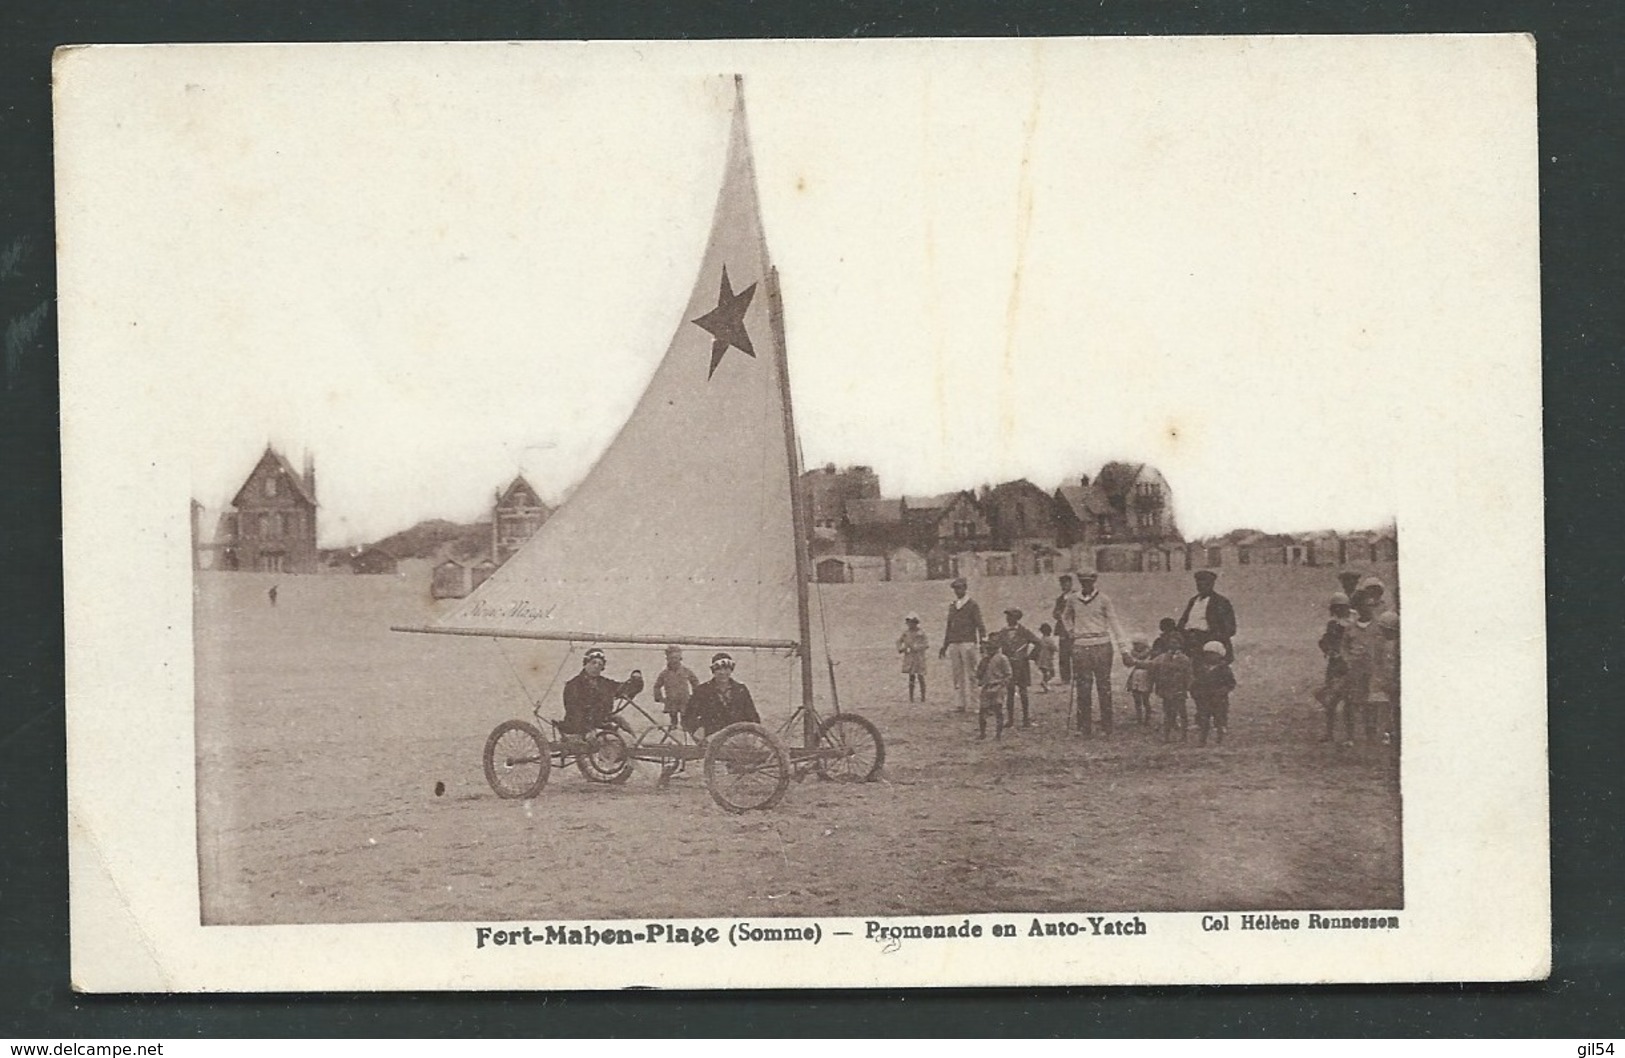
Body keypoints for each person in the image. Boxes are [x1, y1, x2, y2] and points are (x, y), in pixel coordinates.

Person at [1061, 571, 1130, 738]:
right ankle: (1084, 727)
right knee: (1083, 688)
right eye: (1083, 582)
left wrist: (1124, 649)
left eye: (1089, 582)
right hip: (1081, 646)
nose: (1086, 585)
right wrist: (1071, 632)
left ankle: (1107, 726)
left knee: (1104, 687)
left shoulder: (1104, 599)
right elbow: (1065, 617)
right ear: (1080, 582)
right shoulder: (1073, 599)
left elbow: (1114, 622)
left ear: (1094, 581)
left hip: (1102, 646)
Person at [560, 648, 640, 736]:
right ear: (585, 664)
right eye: (593, 662)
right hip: (580, 729)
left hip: (601, 725)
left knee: (623, 725)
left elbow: (626, 689)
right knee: (614, 741)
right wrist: (589, 730)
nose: (596, 666)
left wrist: (636, 680)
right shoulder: (573, 685)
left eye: (600, 664)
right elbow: (574, 712)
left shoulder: (605, 684)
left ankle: (636, 745)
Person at [683, 652, 761, 739]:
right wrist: (697, 730)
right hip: (712, 739)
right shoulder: (702, 691)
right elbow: (688, 717)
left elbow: (753, 717)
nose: (722, 673)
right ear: (713, 671)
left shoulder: (741, 690)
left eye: (726, 669)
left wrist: (752, 734)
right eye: (718, 669)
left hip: (738, 738)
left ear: (731, 670)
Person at [938, 576, 986, 714]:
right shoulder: (953, 606)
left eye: (959, 588)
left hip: (968, 642)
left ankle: (975, 704)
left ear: (965, 588)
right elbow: (949, 627)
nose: (957, 591)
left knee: (972, 674)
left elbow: (980, 625)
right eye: (955, 589)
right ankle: (960, 704)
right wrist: (945, 645)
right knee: (957, 675)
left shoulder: (972, 605)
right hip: (954, 643)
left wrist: (983, 642)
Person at [1339, 594, 1382, 746]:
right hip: (1355, 671)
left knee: (1371, 703)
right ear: (1358, 608)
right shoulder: (1351, 628)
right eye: (1364, 606)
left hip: (1373, 671)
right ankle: (1350, 736)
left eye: (1371, 606)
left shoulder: (1378, 627)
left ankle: (1371, 735)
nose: (1368, 609)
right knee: (1351, 702)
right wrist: (1348, 660)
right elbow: (1344, 647)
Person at [1315, 592, 1357, 743]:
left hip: (1349, 665)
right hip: (1336, 665)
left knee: (1349, 702)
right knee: (1331, 701)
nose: (1339, 610)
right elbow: (1325, 641)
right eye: (1336, 608)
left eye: (1342, 607)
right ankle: (1330, 733)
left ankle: (1350, 736)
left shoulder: (1353, 622)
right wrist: (1329, 651)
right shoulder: (1333, 623)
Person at [992, 607, 1043, 728]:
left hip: (1022, 665)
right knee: (1010, 692)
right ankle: (1010, 720)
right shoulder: (1003, 632)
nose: (1008, 619)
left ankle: (1026, 719)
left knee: (1023, 691)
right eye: (1007, 616)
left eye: (1010, 616)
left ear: (1017, 618)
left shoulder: (1024, 631)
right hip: (1008, 665)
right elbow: (995, 645)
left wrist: (1030, 656)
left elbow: (1038, 643)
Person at [1177, 569, 1238, 662]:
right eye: (1198, 584)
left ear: (1212, 584)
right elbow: (1183, 621)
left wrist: (1211, 638)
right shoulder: (1193, 601)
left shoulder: (1221, 602)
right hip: (1190, 639)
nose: (1201, 587)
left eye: (1205, 584)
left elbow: (1230, 629)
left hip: (1209, 640)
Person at [1191, 640, 1236, 747]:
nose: (1209, 657)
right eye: (1207, 654)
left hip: (1219, 700)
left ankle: (1219, 739)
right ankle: (1202, 740)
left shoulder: (1224, 669)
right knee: (1204, 720)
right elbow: (1196, 682)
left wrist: (1222, 691)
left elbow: (1231, 683)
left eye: (1212, 654)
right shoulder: (1201, 669)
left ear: (1220, 655)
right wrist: (1196, 692)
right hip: (1205, 699)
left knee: (1219, 720)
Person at [1149, 637, 1193, 743]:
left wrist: (1187, 686)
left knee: (1182, 713)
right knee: (1168, 714)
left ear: (1180, 644)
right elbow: (1152, 665)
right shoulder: (1163, 658)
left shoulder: (1184, 659)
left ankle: (1184, 736)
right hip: (1167, 690)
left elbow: (1189, 674)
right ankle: (1167, 737)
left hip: (1179, 690)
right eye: (1170, 643)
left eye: (1175, 642)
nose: (1172, 645)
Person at [653, 645, 700, 725]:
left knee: (685, 721)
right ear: (667, 659)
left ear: (680, 658)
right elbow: (657, 686)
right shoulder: (664, 674)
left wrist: (695, 696)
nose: (674, 661)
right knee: (673, 722)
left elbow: (695, 683)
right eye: (671, 658)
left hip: (684, 701)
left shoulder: (686, 671)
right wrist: (660, 698)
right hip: (671, 701)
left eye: (676, 658)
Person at [975, 636, 1010, 740]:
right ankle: (983, 734)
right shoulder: (985, 660)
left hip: (998, 687)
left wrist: (1002, 684)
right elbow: (978, 674)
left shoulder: (1002, 658)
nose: (989, 649)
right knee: (983, 711)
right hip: (987, 687)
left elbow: (1008, 674)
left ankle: (998, 735)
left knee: (998, 710)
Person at [1375, 610, 1401, 748]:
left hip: (1396, 681)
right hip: (1389, 681)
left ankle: (1394, 733)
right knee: (1390, 708)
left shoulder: (1398, 645)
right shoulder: (1385, 644)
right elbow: (1382, 663)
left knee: (1396, 709)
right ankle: (1390, 733)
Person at [897, 613, 930, 702]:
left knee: (920, 676)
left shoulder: (921, 633)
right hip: (910, 657)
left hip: (919, 658)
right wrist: (901, 648)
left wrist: (917, 647)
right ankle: (911, 697)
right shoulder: (906, 633)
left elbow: (926, 644)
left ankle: (923, 697)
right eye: (908, 623)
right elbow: (899, 641)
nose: (910, 624)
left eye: (912, 622)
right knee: (911, 677)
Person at [1050, 574, 1077, 685]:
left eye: (1066, 583)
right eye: (1062, 584)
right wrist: (1058, 614)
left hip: (1075, 629)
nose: (1064, 586)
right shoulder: (1060, 599)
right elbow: (1055, 613)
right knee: (1063, 654)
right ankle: (1065, 678)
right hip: (1063, 630)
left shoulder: (1077, 596)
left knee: (1076, 654)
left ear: (1071, 584)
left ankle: (1077, 677)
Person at [1124, 638, 1155, 726]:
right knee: (1137, 700)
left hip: (1145, 678)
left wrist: (1137, 663)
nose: (1136, 646)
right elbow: (1128, 663)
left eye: (1138, 644)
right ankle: (1139, 719)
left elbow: (1150, 664)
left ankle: (1147, 719)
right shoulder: (1132, 654)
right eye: (1135, 644)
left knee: (1146, 700)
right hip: (1135, 677)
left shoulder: (1150, 654)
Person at [1035, 622, 1060, 693]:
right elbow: (1055, 648)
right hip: (1047, 660)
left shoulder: (1041, 639)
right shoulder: (1049, 640)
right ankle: (1044, 682)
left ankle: (1045, 685)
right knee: (1052, 673)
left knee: (1045, 673)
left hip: (1040, 660)